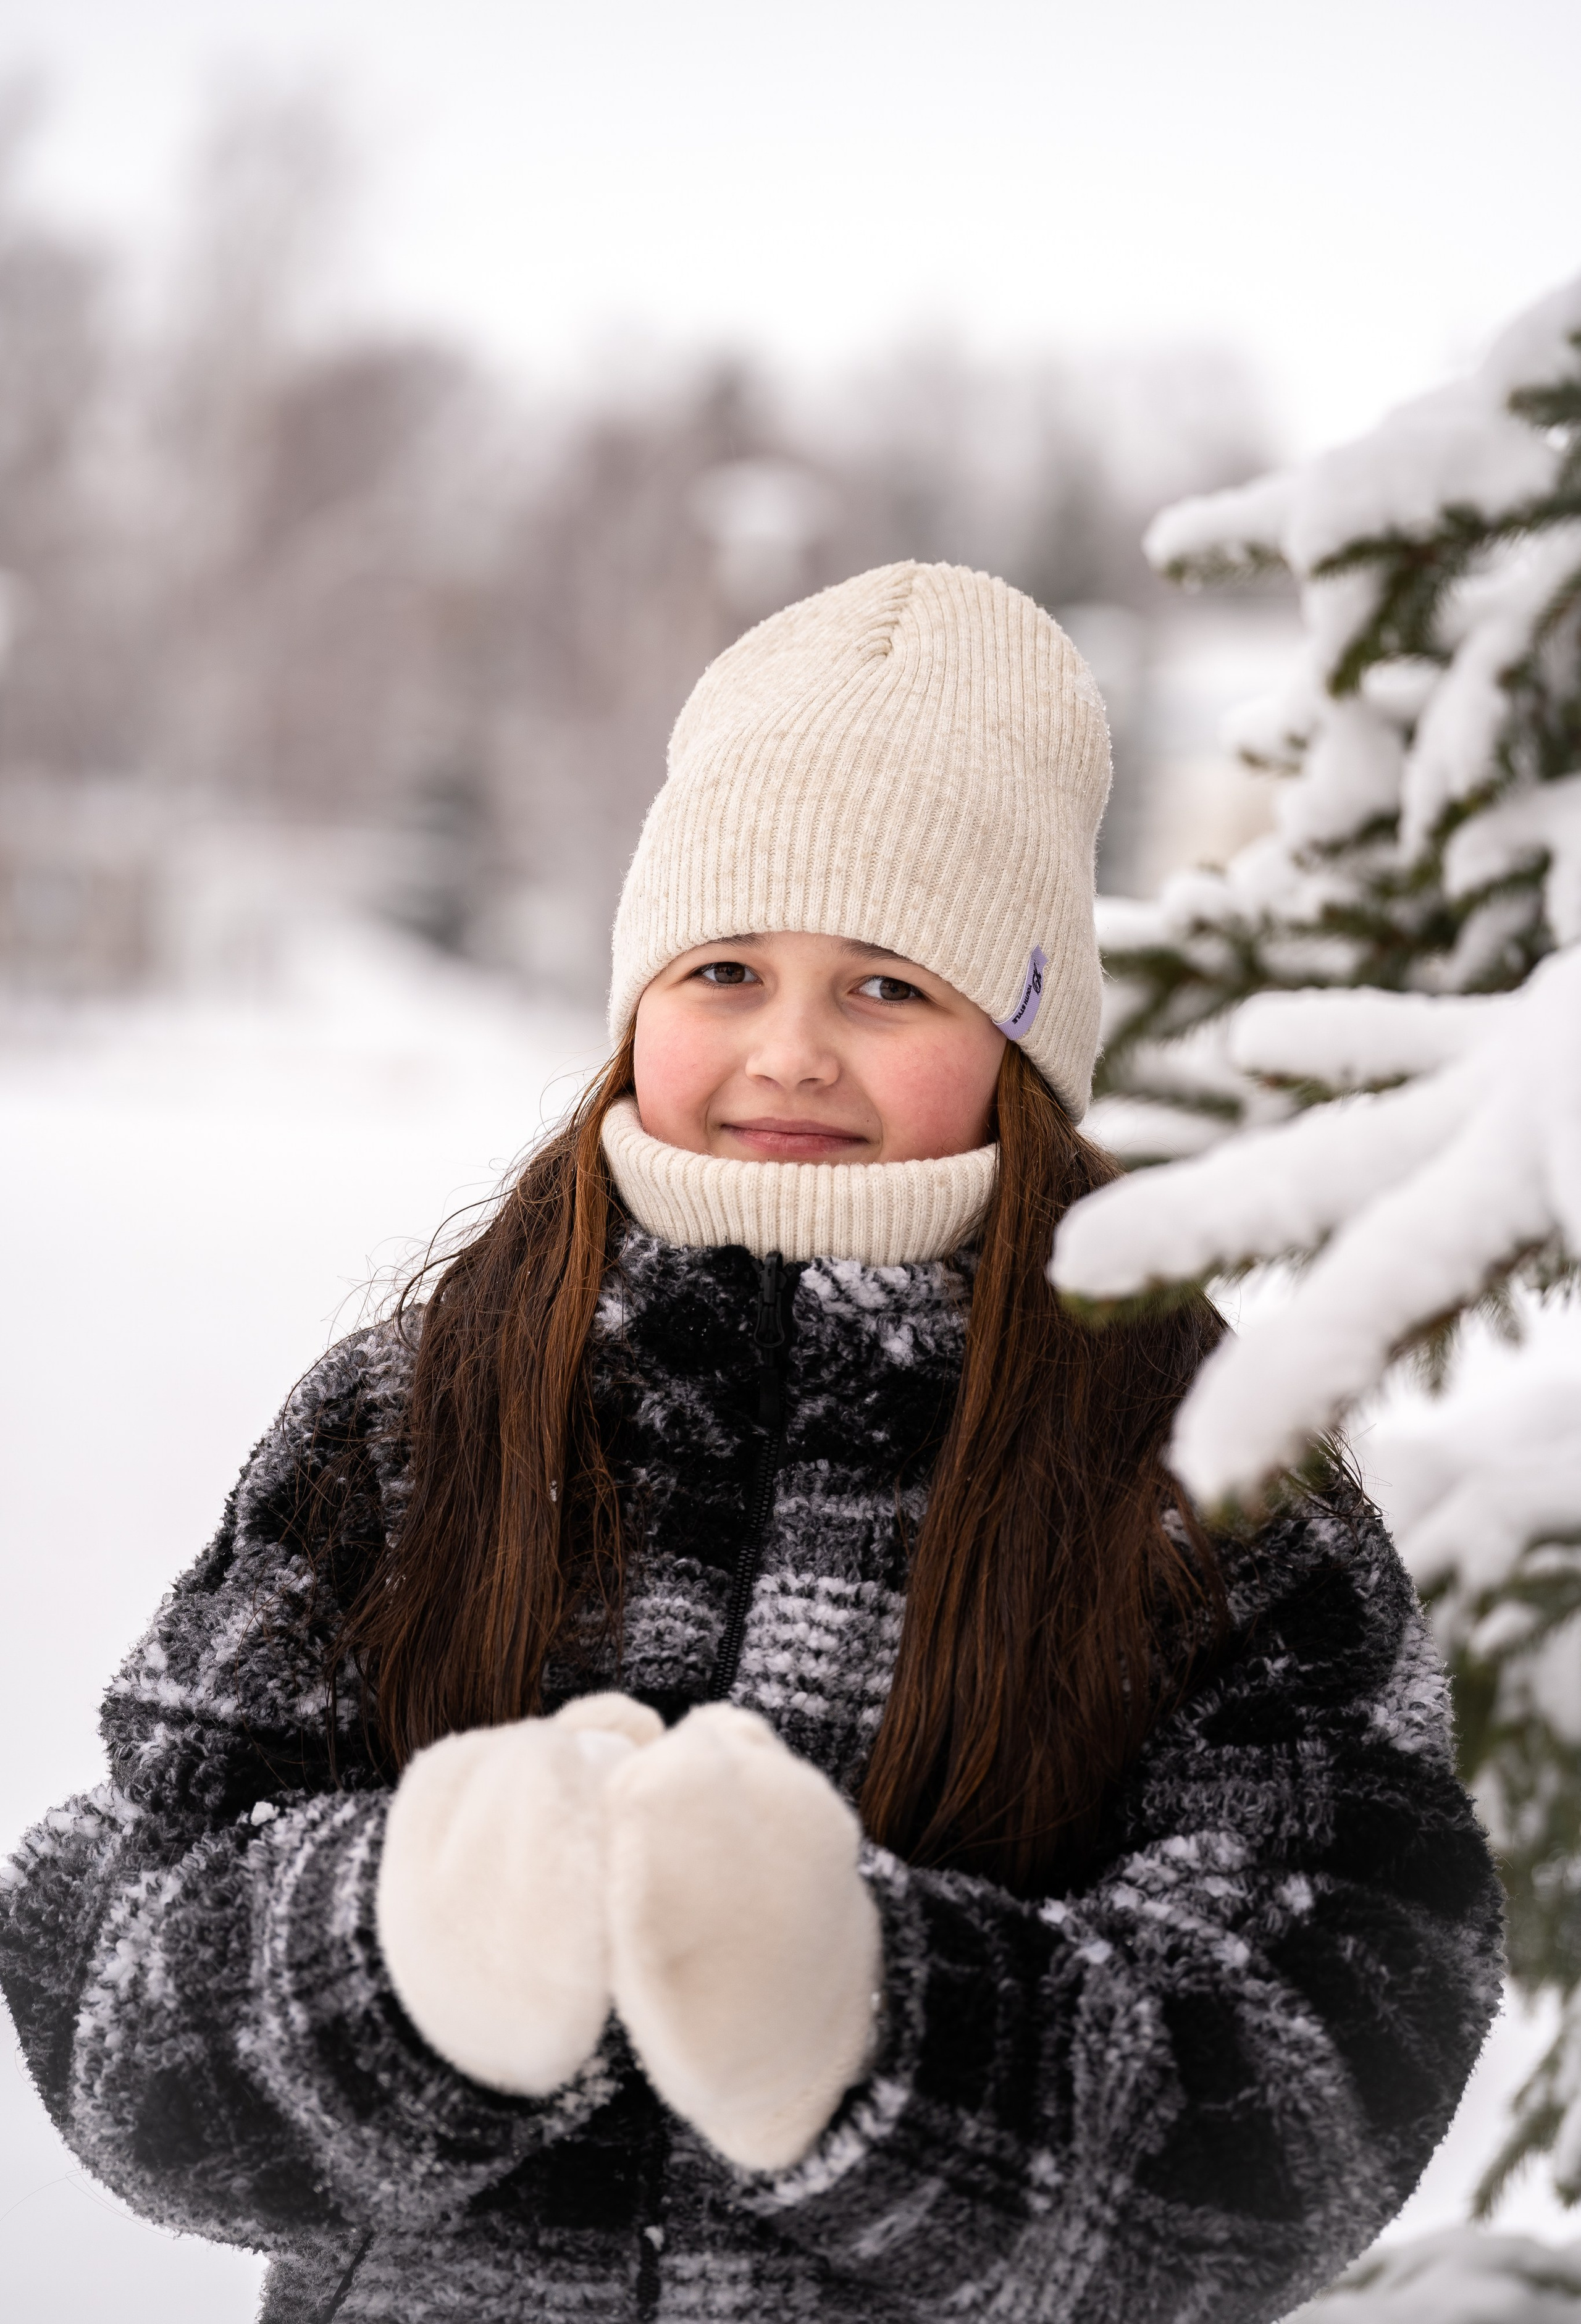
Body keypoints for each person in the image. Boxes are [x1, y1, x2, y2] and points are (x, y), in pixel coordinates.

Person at [0, 563, 1501, 2323]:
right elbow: (110, 1979)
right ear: (639, 1000)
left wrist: (864, 2025)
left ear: (1018, 1039)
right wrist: (408, 1960)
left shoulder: (1204, 1477)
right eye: (725, 969)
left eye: (887, 986)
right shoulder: (415, 1421)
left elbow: (1336, 2051)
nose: (787, 1053)